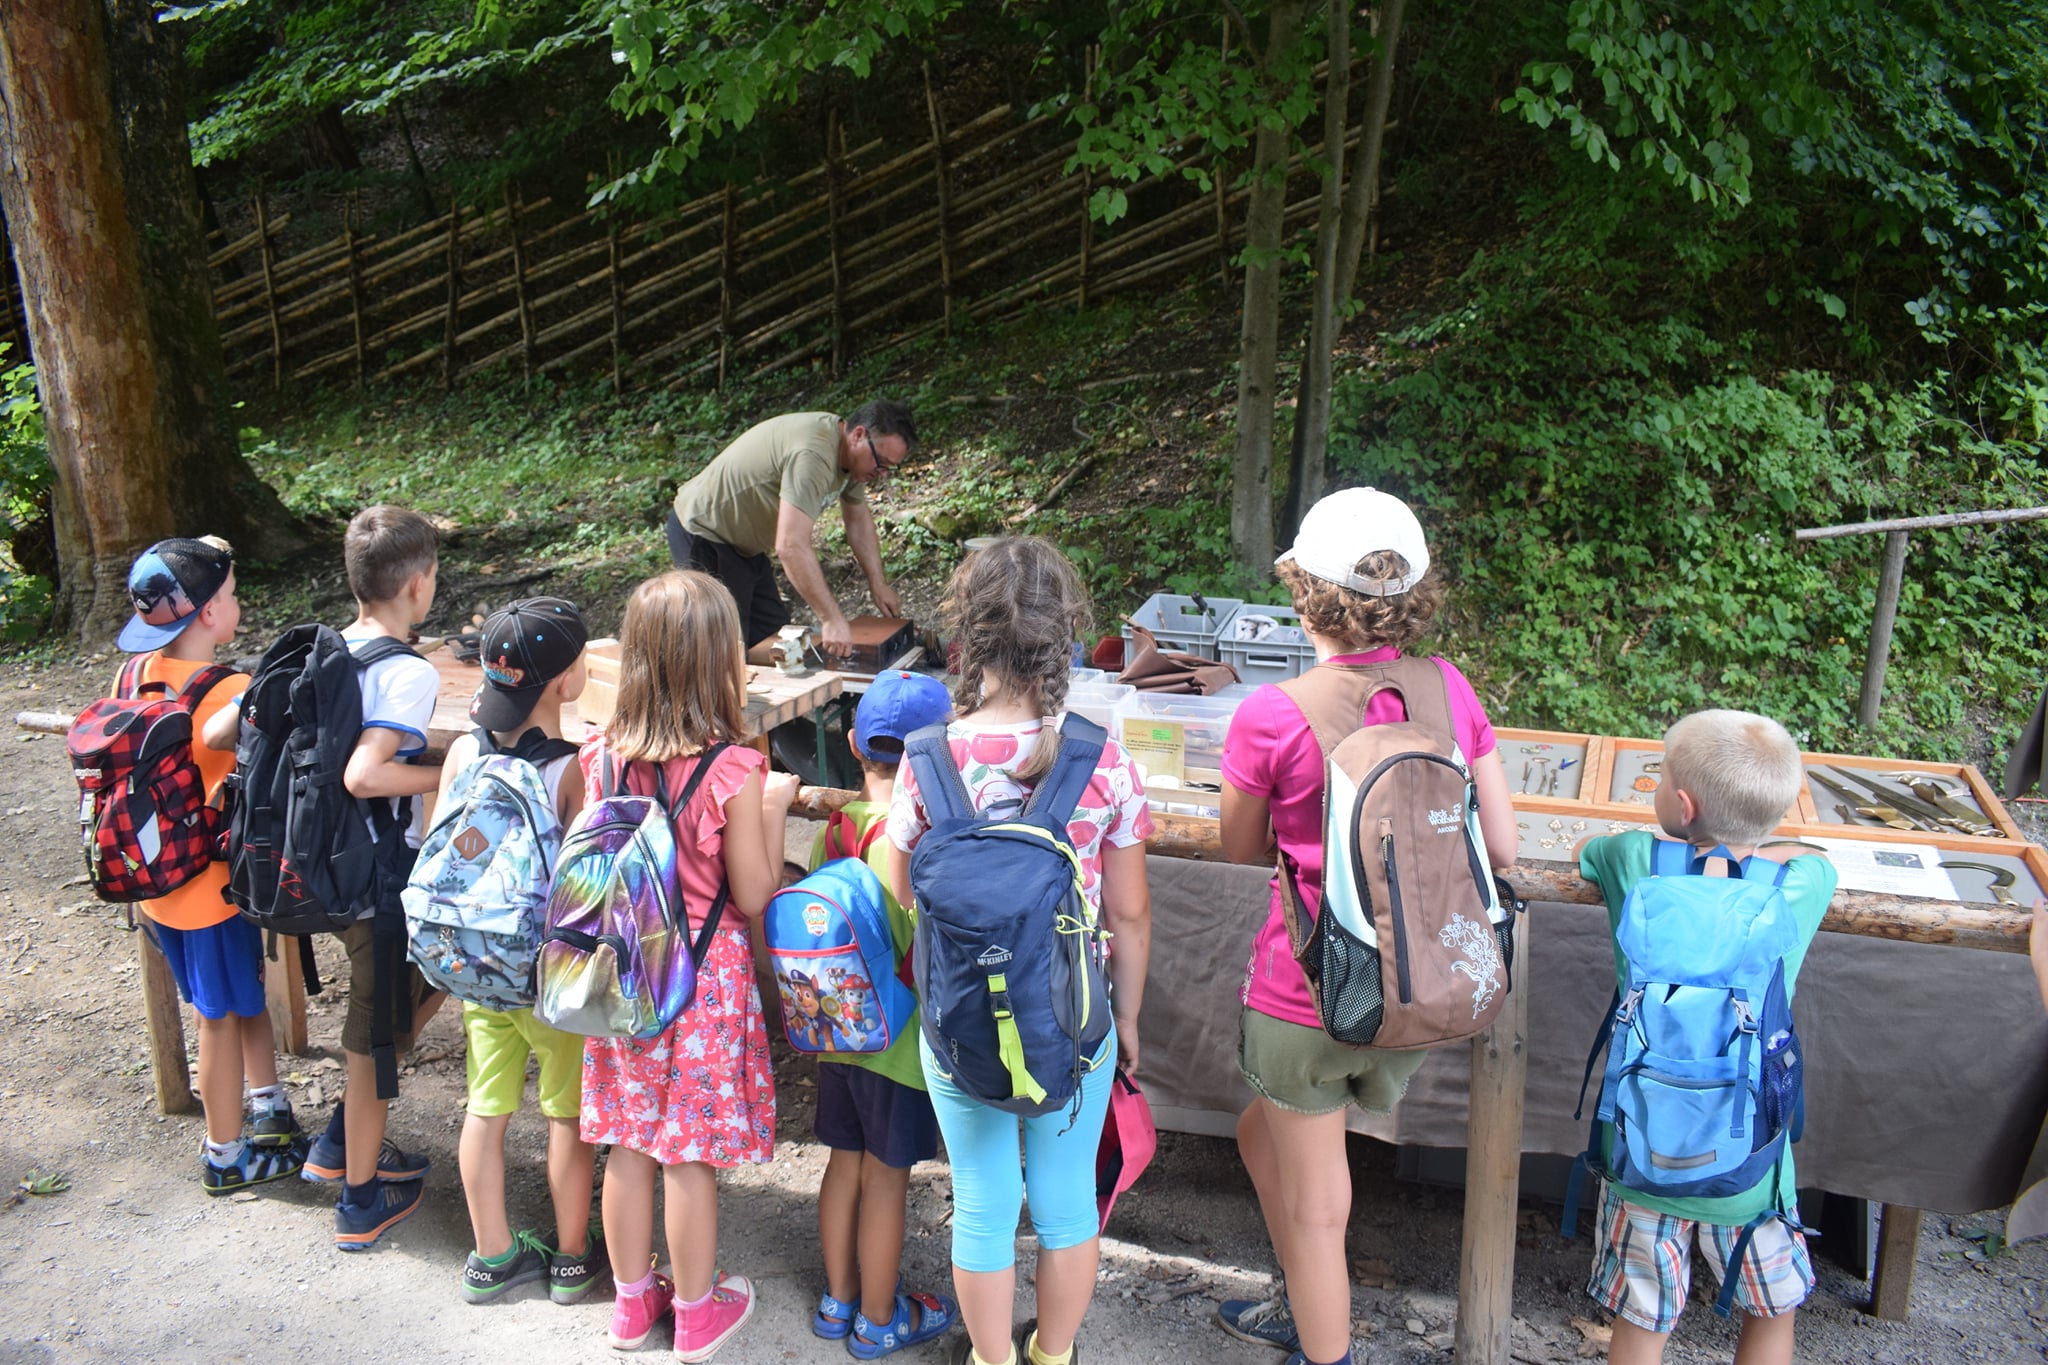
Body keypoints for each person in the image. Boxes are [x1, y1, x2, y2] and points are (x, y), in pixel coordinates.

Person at [1214, 488, 1518, 1365]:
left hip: (1308, 991)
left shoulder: (1274, 711)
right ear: (1413, 592)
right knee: (1260, 1134)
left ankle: (1324, 1347)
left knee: (1318, 1204)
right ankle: (1303, 1298)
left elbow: (1241, 847)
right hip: (1419, 989)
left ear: (1303, 591)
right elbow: (1500, 845)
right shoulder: (1448, 688)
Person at [884, 537, 1153, 1365]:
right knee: (1067, 1205)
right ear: (1064, 634)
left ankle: (991, 1358)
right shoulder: (1105, 760)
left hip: (960, 1020)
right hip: (1072, 1020)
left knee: (983, 1203)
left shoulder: (926, 759)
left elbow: (902, 888)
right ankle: (1052, 1354)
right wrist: (1128, 1019)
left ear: (965, 636)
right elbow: (1131, 912)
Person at [577, 571, 797, 1361]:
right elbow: (754, 891)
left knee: (629, 1140)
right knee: (688, 1149)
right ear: (718, 662)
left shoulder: (600, 756)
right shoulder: (732, 770)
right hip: (703, 982)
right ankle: (698, 1312)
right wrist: (773, 808)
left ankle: (632, 1304)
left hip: (626, 973)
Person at [1576, 710, 1836, 1365]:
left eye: (1660, 777)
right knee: (1770, 1312)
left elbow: (1591, 851)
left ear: (1683, 805)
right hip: (1751, 1160)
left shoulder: (1635, 862)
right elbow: (1818, 860)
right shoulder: (1798, 886)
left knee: (1642, 1316)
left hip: (1642, 1149)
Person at [113, 536, 304, 1192]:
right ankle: (224, 1155)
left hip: (156, 882)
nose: (237, 602)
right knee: (216, 1019)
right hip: (213, 888)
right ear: (209, 614)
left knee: (238, 995)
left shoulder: (132, 676)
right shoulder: (231, 690)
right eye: (230, 594)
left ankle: (269, 1107)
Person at [432, 598, 603, 1304]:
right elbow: (583, 882)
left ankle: (492, 1253)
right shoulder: (573, 768)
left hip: (475, 964)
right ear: (568, 680)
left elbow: (444, 850)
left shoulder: (463, 751)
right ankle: (571, 1257)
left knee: (486, 1105)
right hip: (546, 977)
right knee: (565, 1114)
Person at [300, 504, 449, 1249]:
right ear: (419, 585)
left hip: (320, 862)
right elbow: (365, 774)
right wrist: (446, 773)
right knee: (372, 1041)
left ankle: (339, 1139)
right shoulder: (407, 672)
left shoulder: (325, 649)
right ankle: (359, 1200)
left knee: (434, 977)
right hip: (378, 876)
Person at [806, 669, 960, 1358]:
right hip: (897, 1045)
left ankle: (838, 1299)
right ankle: (878, 1319)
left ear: (852, 744)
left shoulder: (836, 829)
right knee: (886, 1178)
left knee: (843, 1164)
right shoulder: (921, 840)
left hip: (836, 1030)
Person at [667, 402, 916, 660]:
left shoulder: (854, 459)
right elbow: (790, 545)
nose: (882, 474)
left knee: (777, 643)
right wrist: (831, 619)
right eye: (881, 463)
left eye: (889, 467)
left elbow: (858, 522)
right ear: (859, 435)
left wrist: (878, 583)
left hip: (746, 545)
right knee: (721, 650)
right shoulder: (813, 455)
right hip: (705, 532)